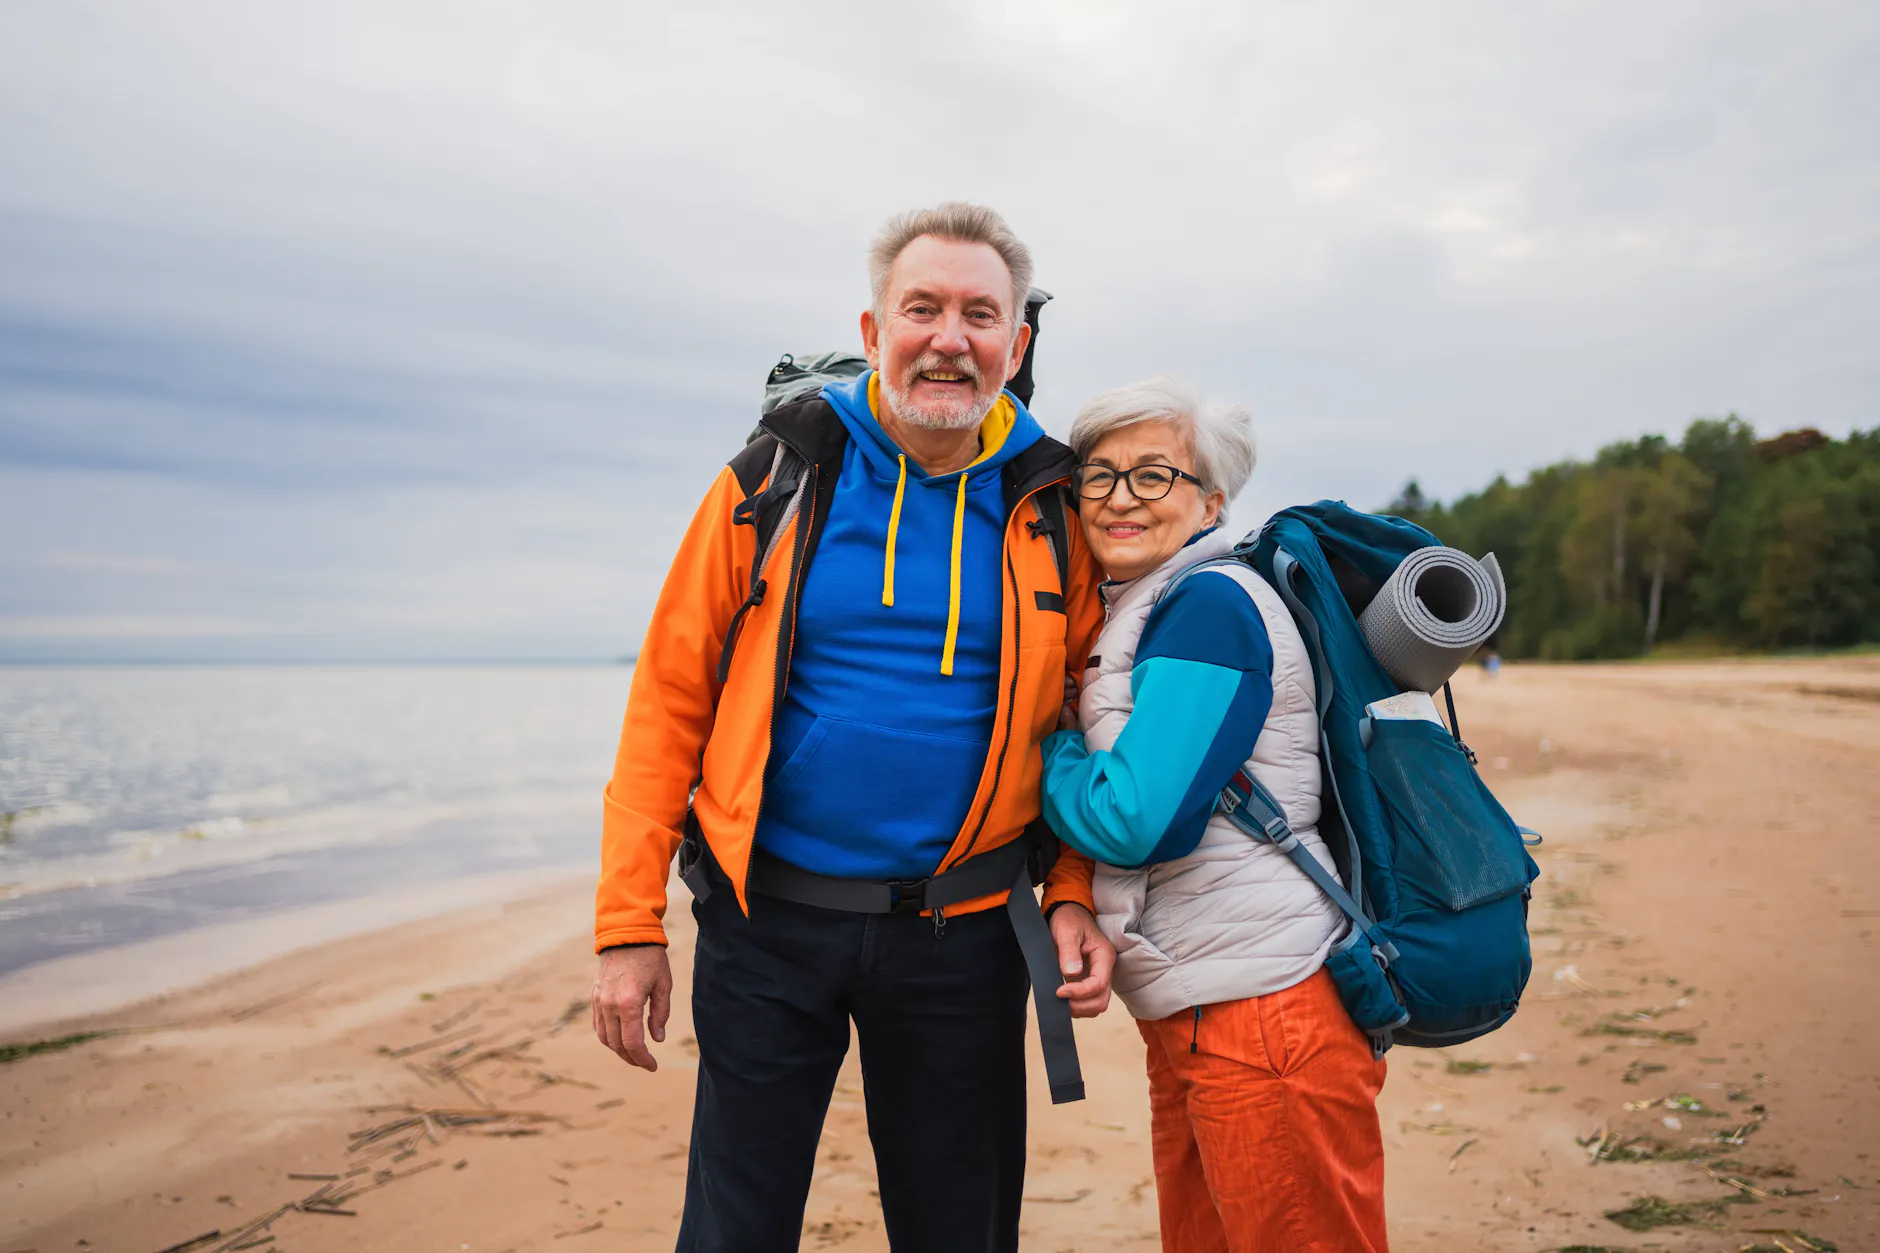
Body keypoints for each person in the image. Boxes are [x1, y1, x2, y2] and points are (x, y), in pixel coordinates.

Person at [590, 202, 1116, 1253]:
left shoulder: (1055, 505)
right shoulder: (772, 478)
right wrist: (626, 925)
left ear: (1015, 346)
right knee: (732, 1232)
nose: (949, 338)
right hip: (766, 923)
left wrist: (1069, 890)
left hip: (967, 933)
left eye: (979, 315)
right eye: (922, 308)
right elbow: (668, 703)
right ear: (875, 331)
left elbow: (1084, 724)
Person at [1040, 376, 1389, 1253]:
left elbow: (1138, 820)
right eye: (1099, 475)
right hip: (1205, 1003)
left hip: (1263, 1008)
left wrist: (1039, 749)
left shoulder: (1209, 609)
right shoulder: (1147, 607)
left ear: (1211, 502)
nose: (1120, 497)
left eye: (1154, 474)